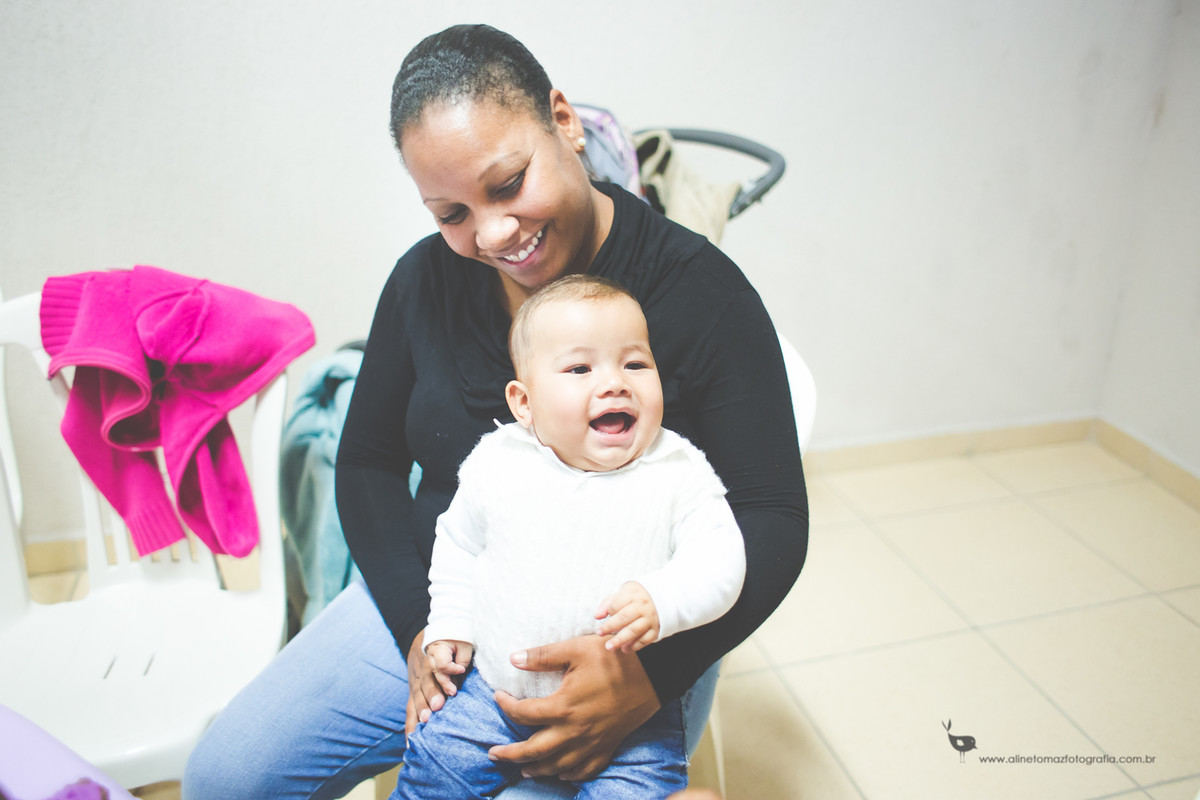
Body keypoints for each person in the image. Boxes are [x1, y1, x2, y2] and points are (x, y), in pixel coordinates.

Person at [183, 23, 807, 800]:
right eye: (450, 213)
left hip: (620, 651)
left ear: (564, 122)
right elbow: (369, 463)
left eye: (508, 184)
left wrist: (650, 678)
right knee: (223, 778)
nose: (492, 234)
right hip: (446, 608)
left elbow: (774, 515)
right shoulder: (423, 284)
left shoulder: (702, 295)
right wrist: (422, 629)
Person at [396, 275, 746, 799]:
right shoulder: (498, 461)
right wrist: (449, 623)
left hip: (628, 719)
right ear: (524, 402)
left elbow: (723, 562)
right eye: (581, 368)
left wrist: (663, 599)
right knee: (432, 770)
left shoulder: (678, 469)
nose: (615, 383)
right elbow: (459, 547)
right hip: (490, 691)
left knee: (634, 790)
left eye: (635, 364)